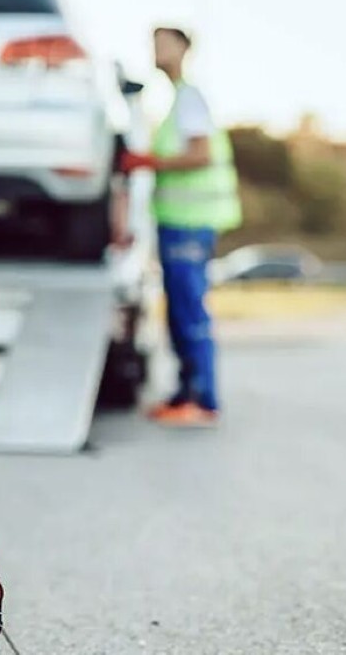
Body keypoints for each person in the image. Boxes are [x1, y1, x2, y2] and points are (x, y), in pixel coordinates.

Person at [117, 26, 242, 426]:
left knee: (189, 310)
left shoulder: (189, 98)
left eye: (164, 43)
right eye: (153, 43)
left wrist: (147, 162)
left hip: (190, 224)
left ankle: (202, 400)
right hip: (177, 223)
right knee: (178, 310)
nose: (156, 50)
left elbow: (200, 155)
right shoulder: (176, 101)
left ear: (185, 49)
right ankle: (185, 393)